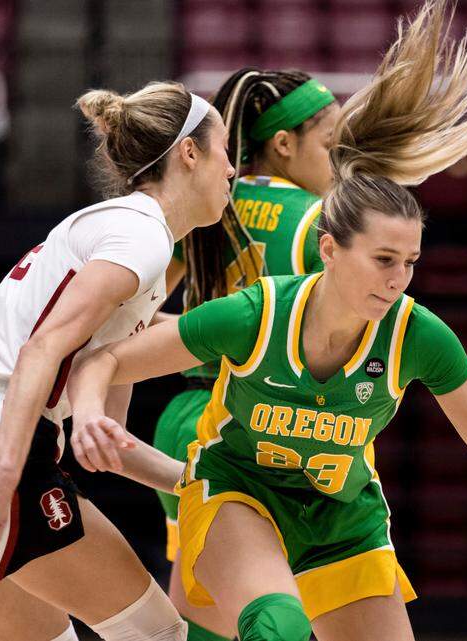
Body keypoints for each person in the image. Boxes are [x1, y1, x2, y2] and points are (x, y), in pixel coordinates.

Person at [67, 2, 467, 640]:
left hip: (257, 451)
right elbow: (122, 342)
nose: (397, 278)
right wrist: (107, 400)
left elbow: (134, 312)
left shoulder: (221, 205)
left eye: (410, 262)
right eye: (385, 259)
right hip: (237, 432)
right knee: (270, 622)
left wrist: (116, 406)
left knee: (221, 616)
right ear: (330, 253)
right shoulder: (298, 249)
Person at [0, 81, 236, 641]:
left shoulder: (123, 234)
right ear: (189, 153)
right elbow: (42, 347)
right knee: (158, 635)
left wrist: (201, 481)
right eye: (225, 151)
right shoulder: (141, 234)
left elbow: (109, 445)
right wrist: (4, 472)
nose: (232, 170)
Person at [155, 68, 340, 641]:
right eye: (332, 145)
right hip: (258, 423)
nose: (340, 163)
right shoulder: (321, 222)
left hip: (184, 416)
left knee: (203, 598)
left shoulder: (212, 204)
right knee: (280, 610)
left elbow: (136, 305)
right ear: (284, 144)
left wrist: (186, 335)